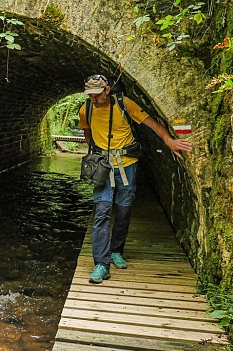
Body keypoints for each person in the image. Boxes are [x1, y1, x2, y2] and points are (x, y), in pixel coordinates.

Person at [79, 74, 193, 283]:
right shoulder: (85, 109)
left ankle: (116, 251)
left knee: (123, 209)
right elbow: (88, 133)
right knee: (102, 212)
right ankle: (101, 264)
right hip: (103, 168)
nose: (94, 100)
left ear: (107, 90)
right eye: (90, 95)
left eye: (97, 95)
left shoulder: (125, 104)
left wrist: (169, 141)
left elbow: (154, 125)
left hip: (127, 165)